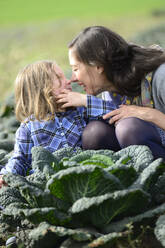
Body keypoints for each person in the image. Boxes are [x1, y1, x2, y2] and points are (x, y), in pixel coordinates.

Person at [0, 60, 117, 188]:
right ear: (41, 89)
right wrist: (5, 176)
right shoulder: (28, 127)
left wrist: (86, 101)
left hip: (84, 176)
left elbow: (113, 114)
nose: (68, 81)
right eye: (59, 78)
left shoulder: (80, 110)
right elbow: (20, 160)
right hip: (50, 184)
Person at [67, 25, 165, 159]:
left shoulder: (161, 76)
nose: (73, 78)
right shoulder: (110, 93)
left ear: (98, 65)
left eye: (76, 69)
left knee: (128, 128)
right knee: (94, 133)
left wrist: (148, 114)